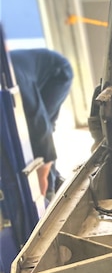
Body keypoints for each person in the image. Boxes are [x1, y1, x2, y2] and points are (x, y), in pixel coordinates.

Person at [9, 48, 74, 199]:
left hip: (57, 74)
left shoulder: (18, 86)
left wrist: (41, 178)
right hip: (30, 73)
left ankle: (49, 192)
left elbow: (41, 130)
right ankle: (55, 178)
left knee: (41, 128)